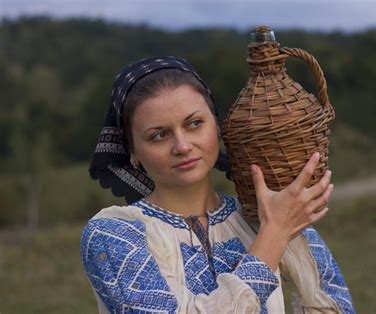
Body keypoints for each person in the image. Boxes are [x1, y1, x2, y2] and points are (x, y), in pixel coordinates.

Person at [81, 56, 355, 313]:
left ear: (217, 126)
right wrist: (274, 237)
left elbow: (333, 302)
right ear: (133, 152)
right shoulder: (114, 234)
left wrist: (277, 227)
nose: (183, 146)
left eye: (195, 123)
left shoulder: (265, 216)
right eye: (159, 135)